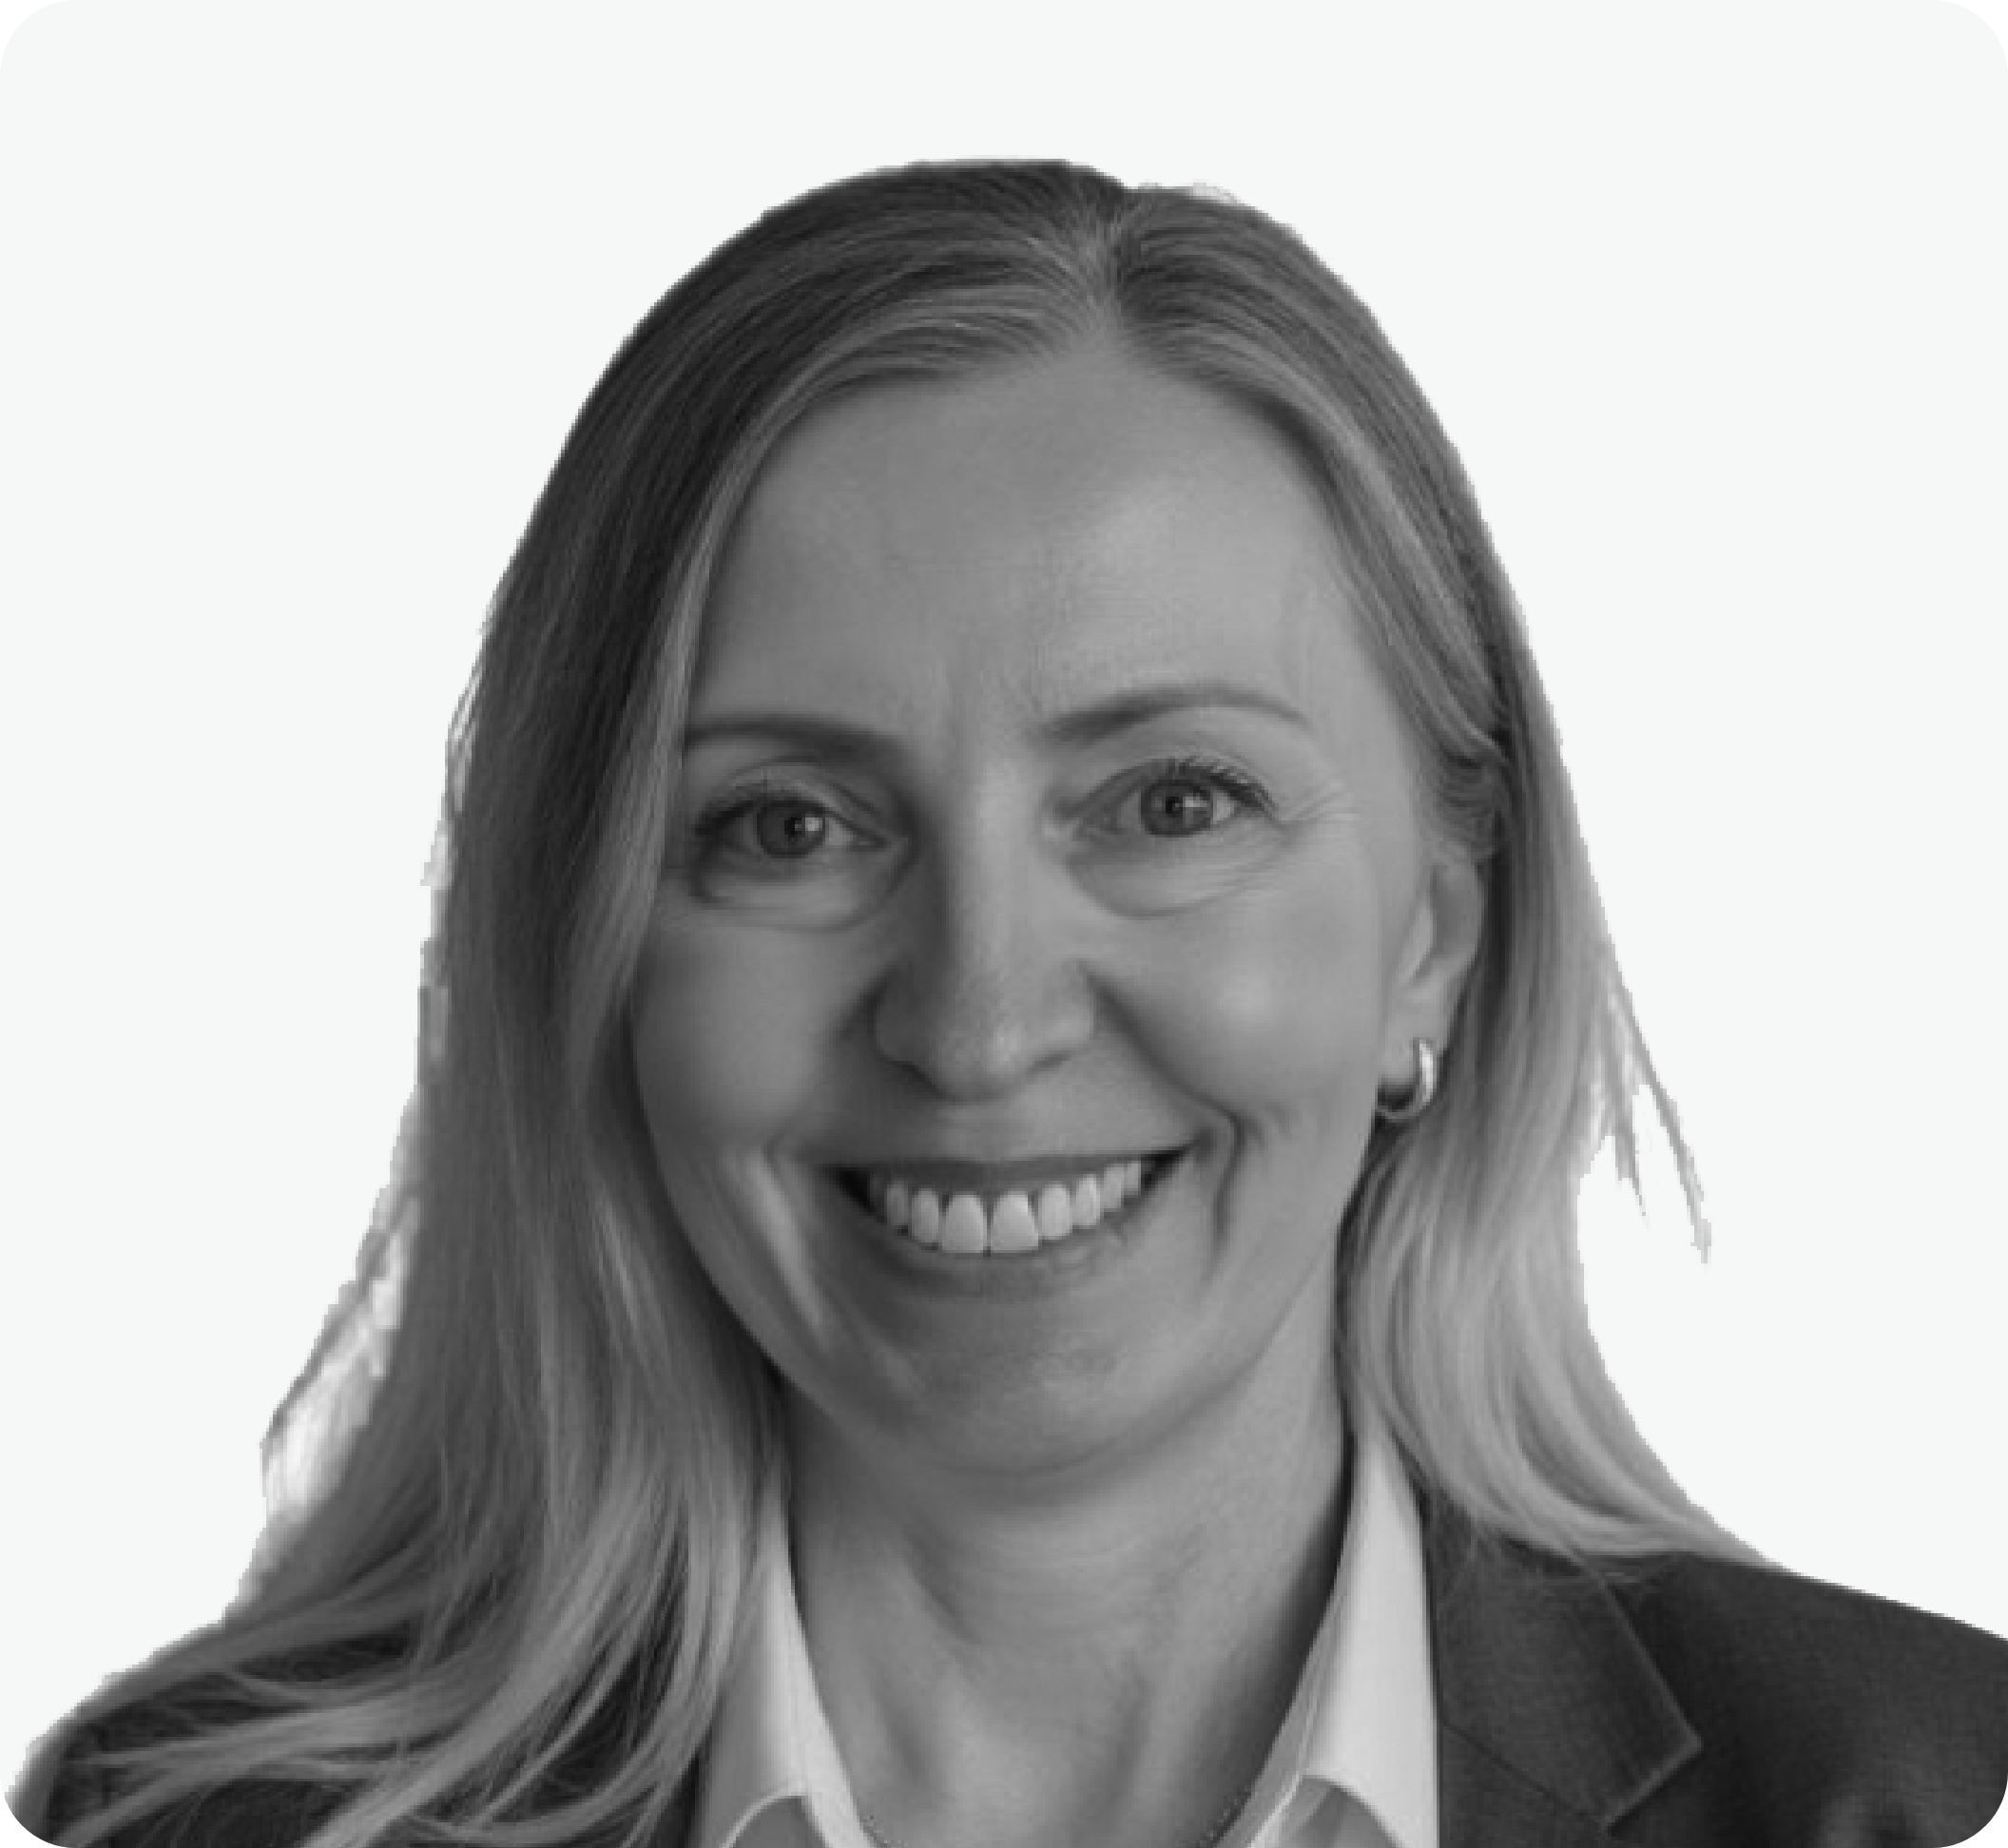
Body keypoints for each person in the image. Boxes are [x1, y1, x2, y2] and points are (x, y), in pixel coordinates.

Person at [13, 157, 2008, 1848]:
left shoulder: (1917, 1792)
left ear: (1437, 937)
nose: (976, 1027)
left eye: (1168, 803)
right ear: (592, 949)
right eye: (786, 826)